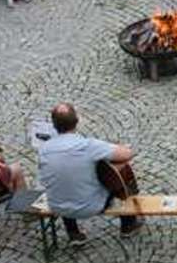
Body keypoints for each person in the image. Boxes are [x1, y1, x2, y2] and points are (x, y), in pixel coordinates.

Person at [39, 103, 141, 246]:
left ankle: (73, 233)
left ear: (54, 125)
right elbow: (127, 154)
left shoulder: (44, 149)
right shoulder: (88, 145)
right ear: (77, 121)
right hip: (90, 206)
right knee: (118, 171)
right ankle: (128, 224)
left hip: (57, 206)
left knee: (65, 178)